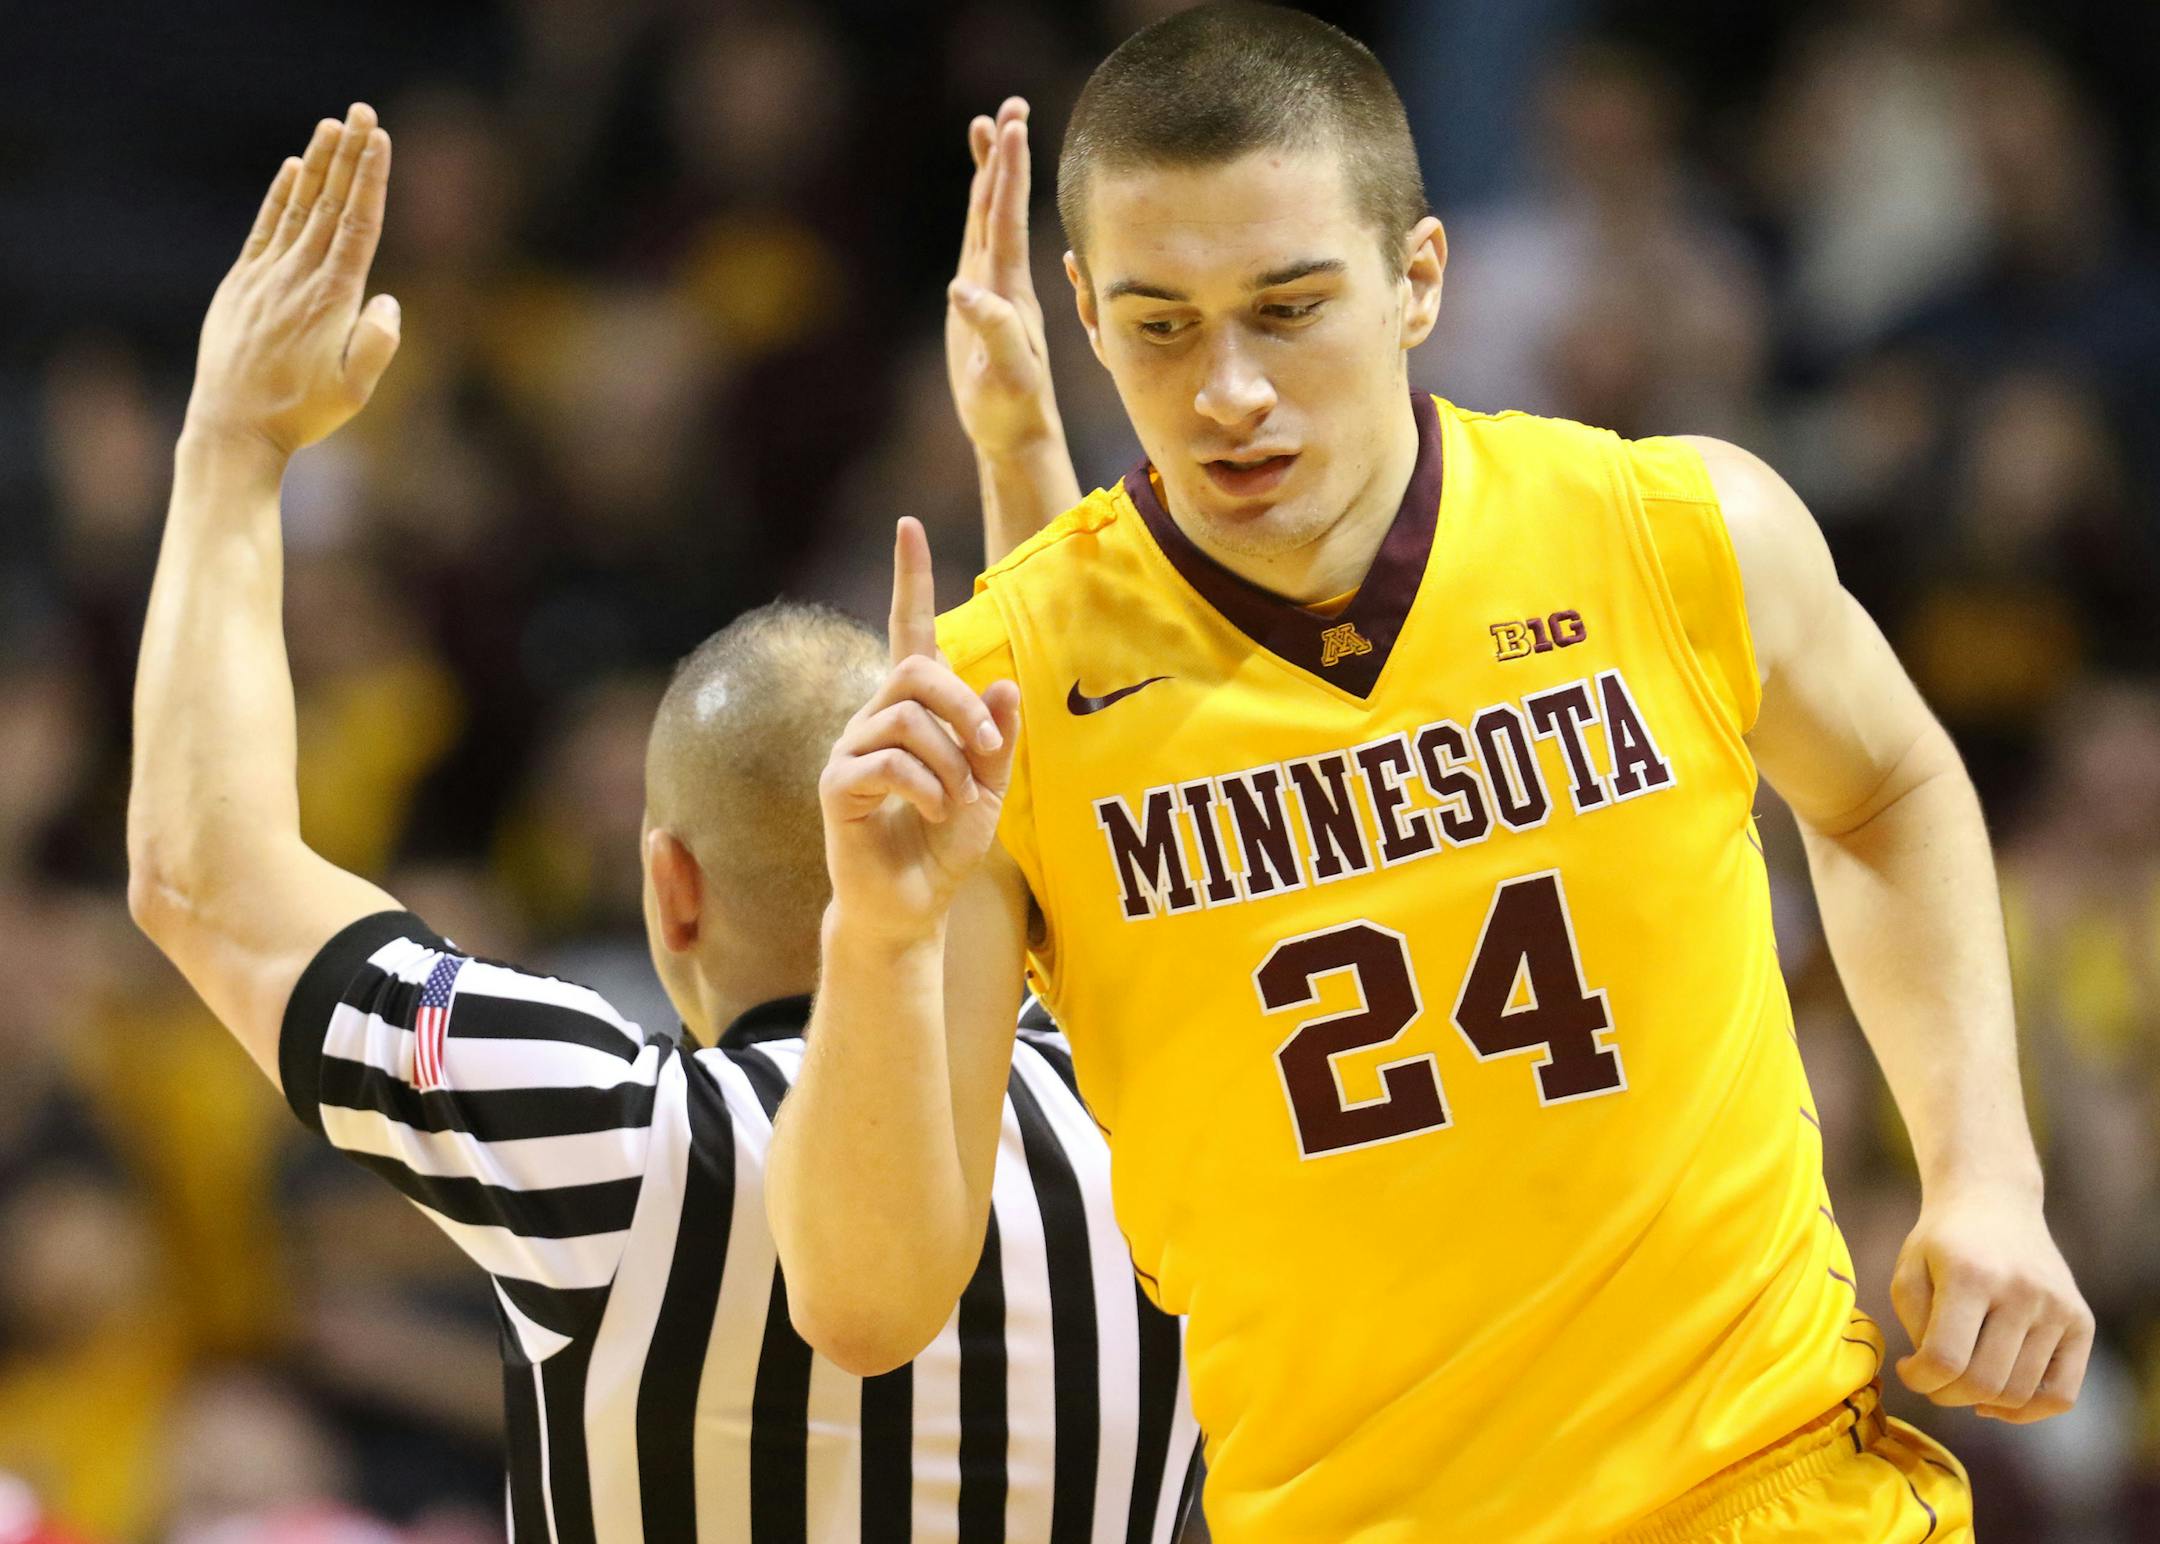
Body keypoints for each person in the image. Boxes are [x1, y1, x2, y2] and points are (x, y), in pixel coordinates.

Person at [765, 6, 2096, 1541]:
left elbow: (1887, 789)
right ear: (1081, 307)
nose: (1230, 393)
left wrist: (1985, 1170)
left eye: (1288, 306)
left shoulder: (1672, 530)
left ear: (1418, 279)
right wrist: (873, 939)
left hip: (1768, 1485)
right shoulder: (1000, 700)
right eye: (1161, 325)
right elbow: (864, 1310)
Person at [126, 101, 1202, 1542]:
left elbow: (202, 874)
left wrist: (233, 449)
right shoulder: (1146, 1121)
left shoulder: (620, 1142)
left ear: (671, 891)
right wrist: (1020, 455)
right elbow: (1076, 831)